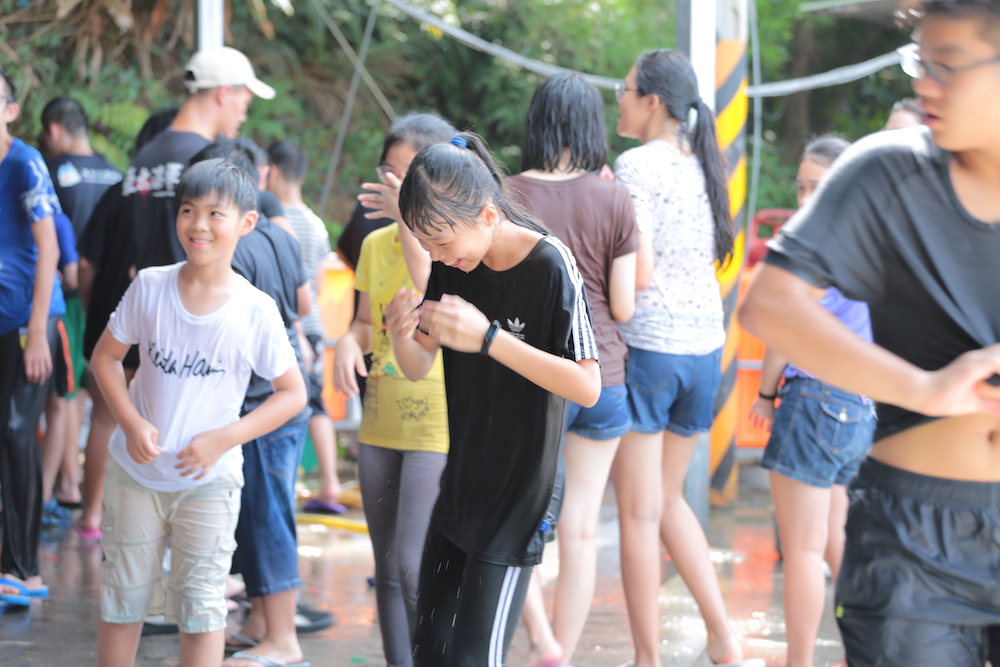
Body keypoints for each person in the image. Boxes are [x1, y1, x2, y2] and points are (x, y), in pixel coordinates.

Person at [739, 1, 1000, 665]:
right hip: (916, 541)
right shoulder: (888, 171)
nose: (924, 84)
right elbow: (770, 305)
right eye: (920, 61)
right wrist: (927, 388)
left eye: (948, 65)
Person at [385, 132, 600, 666]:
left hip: (520, 494)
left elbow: (587, 386)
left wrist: (489, 338)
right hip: (461, 486)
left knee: (474, 658)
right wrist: (398, 334)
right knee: (429, 651)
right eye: (425, 246)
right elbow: (418, 365)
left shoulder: (550, 264)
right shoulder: (451, 263)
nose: (436, 257)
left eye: (441, 242)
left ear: (486, 215)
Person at [91, 157, 306, 667]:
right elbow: (104, 358)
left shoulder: (255, 309)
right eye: (188, 210)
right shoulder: (150, 285)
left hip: (209, 482)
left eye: (215, 213)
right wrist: (130, 421)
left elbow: (292, 394)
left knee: (201, 609)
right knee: (123, 602)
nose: (199, 225)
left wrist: (223, 439)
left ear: (246, 223)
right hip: (135, 474)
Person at [610, 49, 761, 667]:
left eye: (623, 90)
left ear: (651, 102)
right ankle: (723, 639)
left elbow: (639, 273)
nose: (617, 101)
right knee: (667, 502)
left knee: (637, 513)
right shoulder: (706, 162)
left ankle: (648, 658)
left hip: (652, 349)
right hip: (703, 352)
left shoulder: (635, 165)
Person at [506, 72, 640, 666]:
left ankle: (542, 641)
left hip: (531, 377)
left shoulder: (506, 195)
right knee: (581, 528)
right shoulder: (614, 198)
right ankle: (561, 651)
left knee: (520, 517)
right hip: (603, 376)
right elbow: (624, 305)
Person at [181, 139, 316, 667]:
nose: (200, 220)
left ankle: (283, 638)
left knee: (265, 520)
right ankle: (261, 624)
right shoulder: (278, 235)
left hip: (262, 405)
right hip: (284, 400)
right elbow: (302, 303)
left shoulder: (227, 251)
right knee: (265, 516)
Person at [747, 136, 875, 667]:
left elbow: (781, 328)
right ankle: (863, 654)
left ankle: (799, 662)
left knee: (801, 549)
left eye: (815, 187)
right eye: (800, 187)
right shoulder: (873, 242)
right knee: (835, 541)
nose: (804, 199)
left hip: (814, 400)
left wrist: (765, 393)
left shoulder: (812, 246)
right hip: (859, 408)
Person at [332, 219, 449, 667]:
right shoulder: (374, 244)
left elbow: (428, 283)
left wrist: (406, 222)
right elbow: (366, 323)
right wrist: (349, 341)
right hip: (379, 422)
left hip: (433, 428)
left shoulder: (447, 245)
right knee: (386, 569)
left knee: (412, 565)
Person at [74, 107, 178, 541]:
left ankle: (91, 517)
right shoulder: (182, 195)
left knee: (104, 418)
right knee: (158, 418)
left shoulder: (119, 190)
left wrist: (92, 309)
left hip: (111, 321)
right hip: (164, 324)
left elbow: (85, 263)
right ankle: (155, 524)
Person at [38, 95, 123, 520]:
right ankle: (74, 485)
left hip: (65, 297)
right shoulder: (117, 175)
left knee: (65, 395)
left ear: (53, 130)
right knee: (90, 395)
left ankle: (68, 484)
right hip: (114, 300)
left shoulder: (48, 173)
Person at [0, 67, 66, 600]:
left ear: (10, 110)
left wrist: (38, 330)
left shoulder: (25, 163)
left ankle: (24, 570)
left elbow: (50, 249)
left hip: (28, 319)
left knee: (17, 433)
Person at [266, 140, 344, 514]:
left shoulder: (269, 218)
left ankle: (288, 482)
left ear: (272, 171)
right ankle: (329, 483)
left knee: (282, 402)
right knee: (316, 404)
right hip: (313, 324)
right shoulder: (315, 223)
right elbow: (319, 284)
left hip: (285, 322)